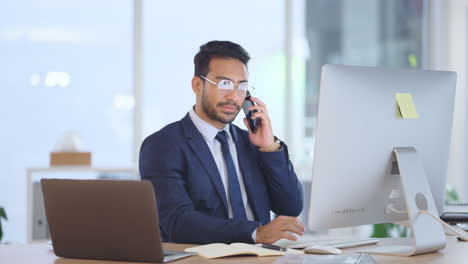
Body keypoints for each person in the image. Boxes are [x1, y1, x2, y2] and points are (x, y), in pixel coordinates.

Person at [139, 40, 304, 244]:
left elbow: (290, 207)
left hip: (261, 258)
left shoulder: (252, 143)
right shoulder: (163, 145)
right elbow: (176, 221)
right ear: (197, 85)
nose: (234, 96)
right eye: (225, 84)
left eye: (241, 86)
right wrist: (255, 233)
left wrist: (269, 147)